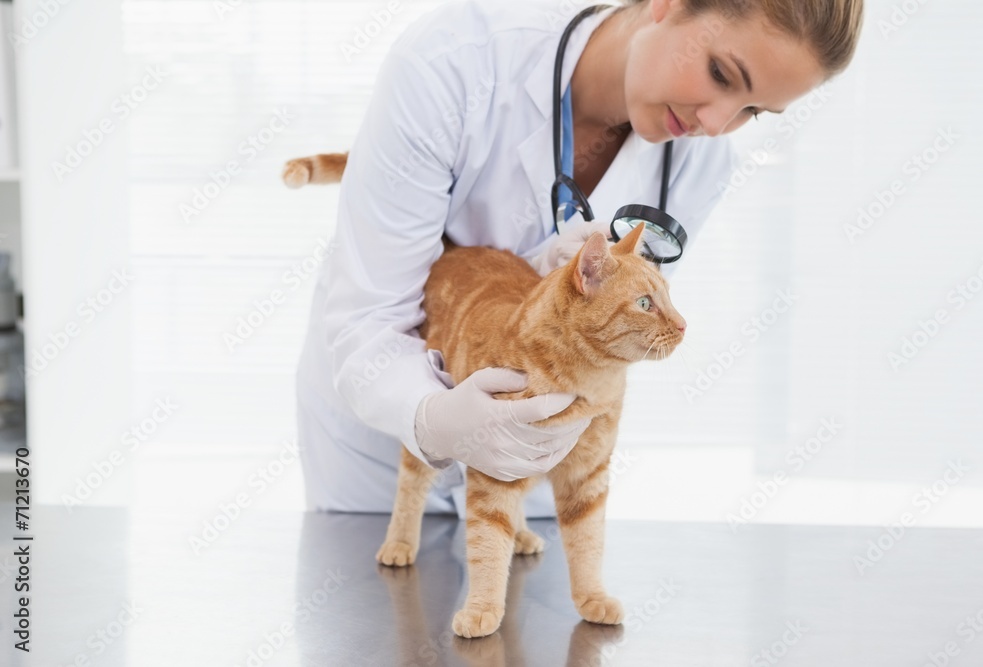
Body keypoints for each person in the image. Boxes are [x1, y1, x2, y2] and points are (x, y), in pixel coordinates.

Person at [295, 0, 863, 516]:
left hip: (537, 461)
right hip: (381, 452)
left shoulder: (699, 167)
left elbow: (620, 336)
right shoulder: (454, 63)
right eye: (720, 74)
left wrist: (554, 289)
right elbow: (371, 317)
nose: (714, 125)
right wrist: (432, 420)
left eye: (754, 111)